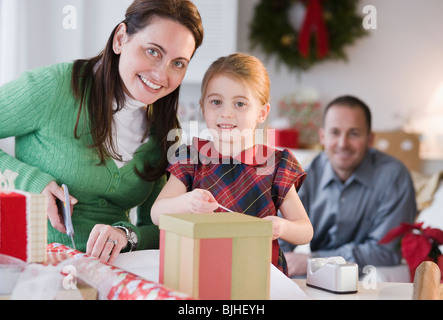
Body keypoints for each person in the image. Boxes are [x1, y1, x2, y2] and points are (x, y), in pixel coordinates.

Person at [0, 0, 204, 263]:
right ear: (120, 39)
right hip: (29, 266)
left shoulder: (165, 129)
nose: (161, 74)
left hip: (111, 273)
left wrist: (126, 235)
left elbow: (158, 226)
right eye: (153, 51)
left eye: (178, 63)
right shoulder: (55, 87)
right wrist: (31, 183)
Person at [151, 53, 313, 275]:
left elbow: (305, 230)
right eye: (216, 102)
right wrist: (188, 202)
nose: (226, 113)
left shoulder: (277, 165)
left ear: (262, 113)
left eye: (240, 104)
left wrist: (281, 226)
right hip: (200, 269)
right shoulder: (191, 158)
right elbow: (157, 213)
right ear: (203, 107)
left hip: (260, 274)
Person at [280, 95, 417, 277]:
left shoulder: (394, 176)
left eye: (354, 133)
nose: (343, 144)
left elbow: (386, 252)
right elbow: (282, 238)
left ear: (370, 139)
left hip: (369, 277)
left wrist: (315, 262)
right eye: (335, 132)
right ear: (322, 136)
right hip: (317, 279)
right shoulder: (306, 174)